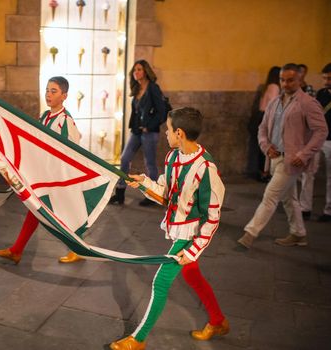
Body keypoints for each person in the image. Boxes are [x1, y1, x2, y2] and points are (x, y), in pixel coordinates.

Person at [109, 107, 228, 350]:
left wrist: (194, 249)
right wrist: (142, 184)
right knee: (191, 274)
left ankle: (138, 340)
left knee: (160, 282)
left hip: (190, 235)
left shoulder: (206, 168)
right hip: (178, 228)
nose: (165, 133)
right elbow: (166, 195)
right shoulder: (173, 158)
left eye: (169, 129)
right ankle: (217, 321)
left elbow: (213, 217)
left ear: (180, 133)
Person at [0, 76, 84, 264]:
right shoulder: (45, 116)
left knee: (68, 212)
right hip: (45, 175)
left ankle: (78, 249)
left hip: (58, 177)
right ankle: (17, 250)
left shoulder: (65, 121)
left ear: (64, 96)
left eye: (54, 91)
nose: (48, 94)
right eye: (47, 90)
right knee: (37, 210)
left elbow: (72, 150)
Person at [237, 63, 328, 249]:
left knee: (270, 195)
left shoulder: (308, 103)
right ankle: (298, 234)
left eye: (290, 80)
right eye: (282, 80)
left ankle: (249, 234)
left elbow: (321, 131)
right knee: (289, 199)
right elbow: (262, 129)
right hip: (275, 158)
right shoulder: (275, 102)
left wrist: (304, 154)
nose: (286, 84)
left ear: (300, 79)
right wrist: (266, 146)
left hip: (292, 160)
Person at [109, 59, 167, 206]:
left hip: (149, 132)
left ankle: (152, 195)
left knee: (150, 163)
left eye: (139, 69)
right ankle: (120, 192)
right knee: (124, 158)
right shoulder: (136, 88)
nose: (136, 72)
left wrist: (150, 125)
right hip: (136, 131)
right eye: (135, 70)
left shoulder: (153, 88)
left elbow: (163, 111)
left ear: (146, 71)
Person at [299, 63, 331, 222]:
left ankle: (328, 211)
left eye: (329, 78)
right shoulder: (322, 93)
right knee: (307, 172)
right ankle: (305, 208)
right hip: (316, 139)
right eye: (324, 78)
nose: (326, 81)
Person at [247, 66, 281, 182]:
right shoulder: (275, 87)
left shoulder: (267, 86)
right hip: (265, 117)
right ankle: (264, 173)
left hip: (259, 116)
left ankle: (261, 172)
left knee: (260, 146)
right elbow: (273, 105)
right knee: (266, 147)